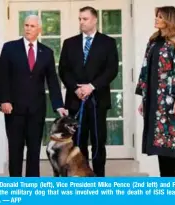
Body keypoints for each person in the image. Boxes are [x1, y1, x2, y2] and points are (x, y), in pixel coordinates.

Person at [0, 15, 68, 177]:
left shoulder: (47, 52)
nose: (28, 28)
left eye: (32, 26)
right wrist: (4, 100)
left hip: (36, 109)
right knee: (15, 149)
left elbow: (52, 81)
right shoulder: (10, 48)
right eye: (26, 25)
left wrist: (59, 105)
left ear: (39, 29)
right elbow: (2, 77)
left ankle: (32, 187)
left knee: (34, 149)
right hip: (13, 108)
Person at [58, 6, 119, 177]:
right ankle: (80, 178)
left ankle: (99, 180)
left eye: (85, 19)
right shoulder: (69, 43)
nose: (81, 22)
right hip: (76, 100)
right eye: (79, 19)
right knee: (78, 142)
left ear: (94, 20)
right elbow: (63, 70)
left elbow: (111, 70)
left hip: (98, 100)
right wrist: (76, 88)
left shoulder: (108, 42)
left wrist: (91, 86)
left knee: (98, 142)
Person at [135, 6, 175, 177]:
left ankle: (170, 185)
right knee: (159, 143)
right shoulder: (153, 41)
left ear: (169, 19)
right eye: (156, 16)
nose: (156, 19)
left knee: (172, 143)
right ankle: (164, 185)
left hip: (171, 101)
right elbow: (145, 69)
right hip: (154, 101)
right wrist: (143, 99)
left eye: (160, 16)